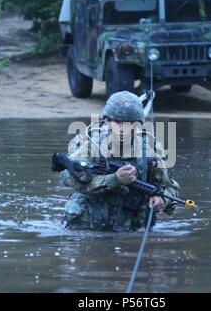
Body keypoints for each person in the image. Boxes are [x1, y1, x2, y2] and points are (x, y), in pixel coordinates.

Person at [60, 91, 180, 232]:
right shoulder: (90, 145)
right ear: (108, 121)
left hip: (134, 231)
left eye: (129, 123)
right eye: (117, 122)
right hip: (88, 230)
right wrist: (114, 179)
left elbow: (171, 189)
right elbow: (68, 178)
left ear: (138, 124)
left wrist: (162, 200)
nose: (122, 129)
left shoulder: (151, 151)